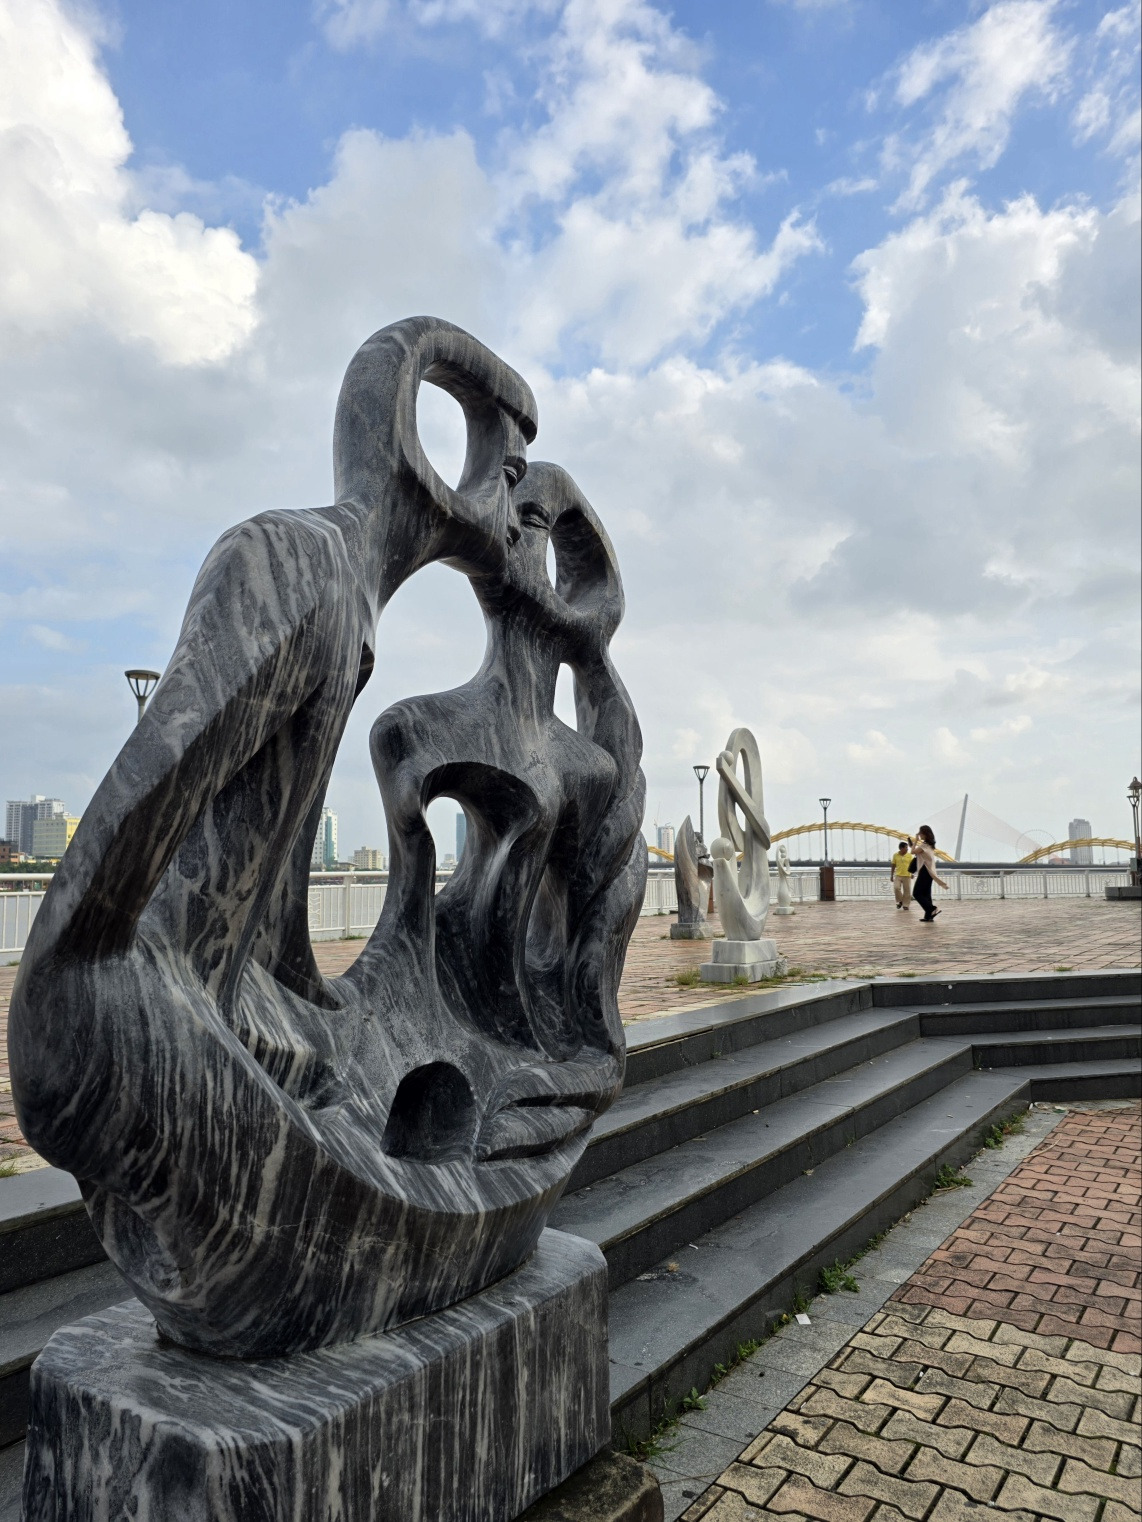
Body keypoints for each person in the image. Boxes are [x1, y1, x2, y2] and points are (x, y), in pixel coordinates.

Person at [909, 825, 948, 922]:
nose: (919, 834)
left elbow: (912, 852)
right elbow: (918, 852)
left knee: (917, 893)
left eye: (920, 833)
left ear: (925, 834)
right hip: (929, 872)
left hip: (925, 871)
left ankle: (932, 909)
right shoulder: (929, 845)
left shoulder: (924, 846)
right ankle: (928, 916)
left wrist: (916, 840)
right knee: (926, 894)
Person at [890, 840, 915, 910]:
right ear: (901, 848)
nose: (907, 849)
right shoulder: (895, 855)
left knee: (907, 891)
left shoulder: (909, 855)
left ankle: (906, 905)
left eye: (907, 848)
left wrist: (912, 873)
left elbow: (912, 865)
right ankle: (900, 901)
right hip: (898, 875)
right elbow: (893, 865)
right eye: (906, 848)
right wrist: (891, 875)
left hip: (907, 875)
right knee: (896, 888)